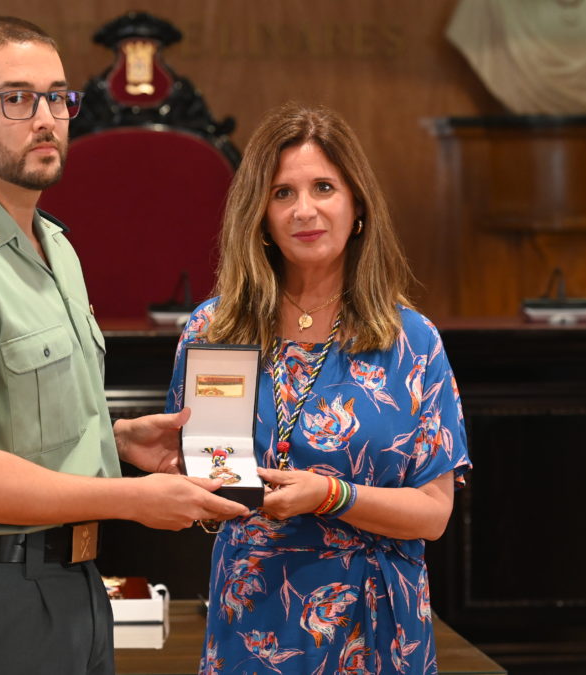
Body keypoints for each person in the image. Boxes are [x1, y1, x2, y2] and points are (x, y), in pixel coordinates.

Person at [0, 16, 248, 675]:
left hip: (66, 587)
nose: (45, 117)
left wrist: (115, 436)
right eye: (16, 98)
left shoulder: (55, 245)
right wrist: (132, 499)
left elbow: (14, 418)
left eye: (58, 97)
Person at [165, 103, 471, 675]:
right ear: (259, 214)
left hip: (378, 627)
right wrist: (195, 486)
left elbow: (433, 514)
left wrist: (332, 496)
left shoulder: (412, 340)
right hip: (253, 623)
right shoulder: (217, 329)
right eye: (282, 193)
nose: (304, 210)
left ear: (357, 206)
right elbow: (206, 485)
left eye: (324, 187)